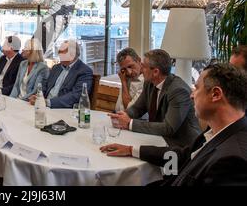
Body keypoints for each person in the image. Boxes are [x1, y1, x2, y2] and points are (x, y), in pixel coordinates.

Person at [101, 63, 247, 186]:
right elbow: (182, 156)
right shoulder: (217, 130)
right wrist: (131, 150)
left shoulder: (234, 159)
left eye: (197, 88)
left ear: (216, 94)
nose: (192, 95)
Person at [108, 49, 200, 147]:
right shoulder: (149, 83)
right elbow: (138, 108)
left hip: (183, 147)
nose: (141, 70)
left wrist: (130, 123)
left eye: (143, 67)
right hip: (158, 140)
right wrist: (123, 115)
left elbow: (168, 128)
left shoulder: (178, 90)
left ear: (155, 72)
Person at [30, 39, 92, 108]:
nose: (59, 54)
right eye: (59, 51)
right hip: (44, 105)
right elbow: (45, 85)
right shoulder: (56, 67)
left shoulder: (84, 71)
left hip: (63, 110)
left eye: (61, 52)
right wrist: (38, 96)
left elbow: (76, 96)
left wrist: (48, 102)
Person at [115, 47, 144, 112]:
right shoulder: (125, 76)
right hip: (117, 115)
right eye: (124, 69)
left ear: (139, 60)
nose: (129, 72)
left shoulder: (145, 81)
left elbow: (129, 109)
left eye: (130, 66)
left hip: (133, 120)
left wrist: (123, 82)